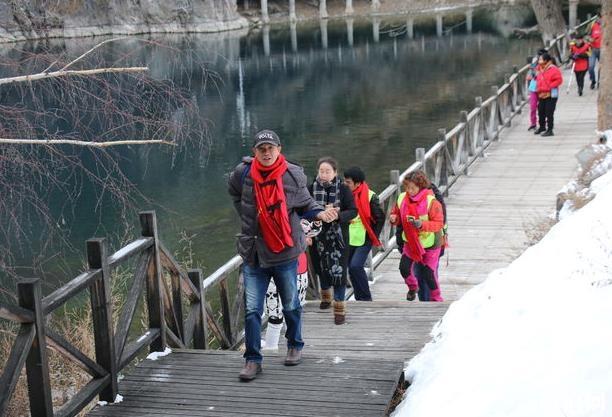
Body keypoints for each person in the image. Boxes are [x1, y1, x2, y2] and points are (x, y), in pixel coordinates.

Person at [228, 129, 337, 381]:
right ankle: (253, 360)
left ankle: (295, 344)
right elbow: (234, 193)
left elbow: (306, 204)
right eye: (261, 149)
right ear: (255, 151)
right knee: (253, 309)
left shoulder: (292, 174)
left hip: (285, 251)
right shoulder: (242, 173)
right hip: (254, 252)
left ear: (279, 149)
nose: (266, 153)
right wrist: (246, 216)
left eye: (270, 148)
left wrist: (319, 213)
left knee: (290, 304)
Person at [308, 157, 357, 325]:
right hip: (317, 236)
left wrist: (338, 215)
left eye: (328, 171)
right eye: (321, 171)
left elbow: (353, 211)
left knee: (339, 271)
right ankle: (326, 297)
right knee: (321, 267)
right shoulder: (311, 188)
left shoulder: (343, 189)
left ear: (335, 173)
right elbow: (304, 211)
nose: (324, 174)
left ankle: (339, 309)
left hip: (338, 237)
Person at [262, 219, 321, 351]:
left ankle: (290, 348)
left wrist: (317, 219)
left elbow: (314, 229)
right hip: (276, 268)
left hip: (295, 268)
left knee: (290, 314)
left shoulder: (297, 211)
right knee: (276, 316)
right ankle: (273, 348)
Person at [390, 171, 444, 302]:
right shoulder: (402, 198)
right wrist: (394, 219)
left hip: (431, 242)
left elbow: (438, 224)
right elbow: (397, 215)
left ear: (421, 186)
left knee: (428, 274)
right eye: (407, 187)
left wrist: (421, 225)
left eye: (412, 188)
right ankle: (413, 287)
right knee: (404, 268)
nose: (409, 191)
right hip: (410, 240)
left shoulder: (431, 201)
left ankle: (437, 299)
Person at [343, 167, 385, 301]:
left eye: (348, 182)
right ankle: (359, 297)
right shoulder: (343, 195)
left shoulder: (370, 196)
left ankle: (366, 299)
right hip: (347, 236)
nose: (345, 184)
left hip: (364, 237)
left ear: (358, 183)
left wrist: (373, 236)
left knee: (356, 266)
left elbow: (380, 218)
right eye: (345, 181)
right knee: (351, 268)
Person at [534, 52, 563, 137]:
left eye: (540, 59)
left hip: (551, 94)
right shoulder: (539, 69)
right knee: (541, 111)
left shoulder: (553, 69)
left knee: (549, 112)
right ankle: (542, 127)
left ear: (545, 60)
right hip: (541, 93)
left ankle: (550, 129)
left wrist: (549, 86)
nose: (539, 61)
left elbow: (559, 80)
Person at [587, 14, 602, 89]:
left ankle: (600, 82)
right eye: (599, 17)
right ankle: (593, 81)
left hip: (603, 50)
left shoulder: (608, 25)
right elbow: (587, 35)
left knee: (601, 68)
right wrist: (590, 39)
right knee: (590, 67)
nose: (600, 19)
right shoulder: (592, 24)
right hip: (592, 49)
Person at [526, 56, 539, 131]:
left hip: (542, 89)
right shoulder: (531, 70)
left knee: (541, 108)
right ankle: (533, 123)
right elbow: (528, 79)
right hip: (533, 89)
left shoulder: (544, 68)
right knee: (533, 107)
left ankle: (542, 123)